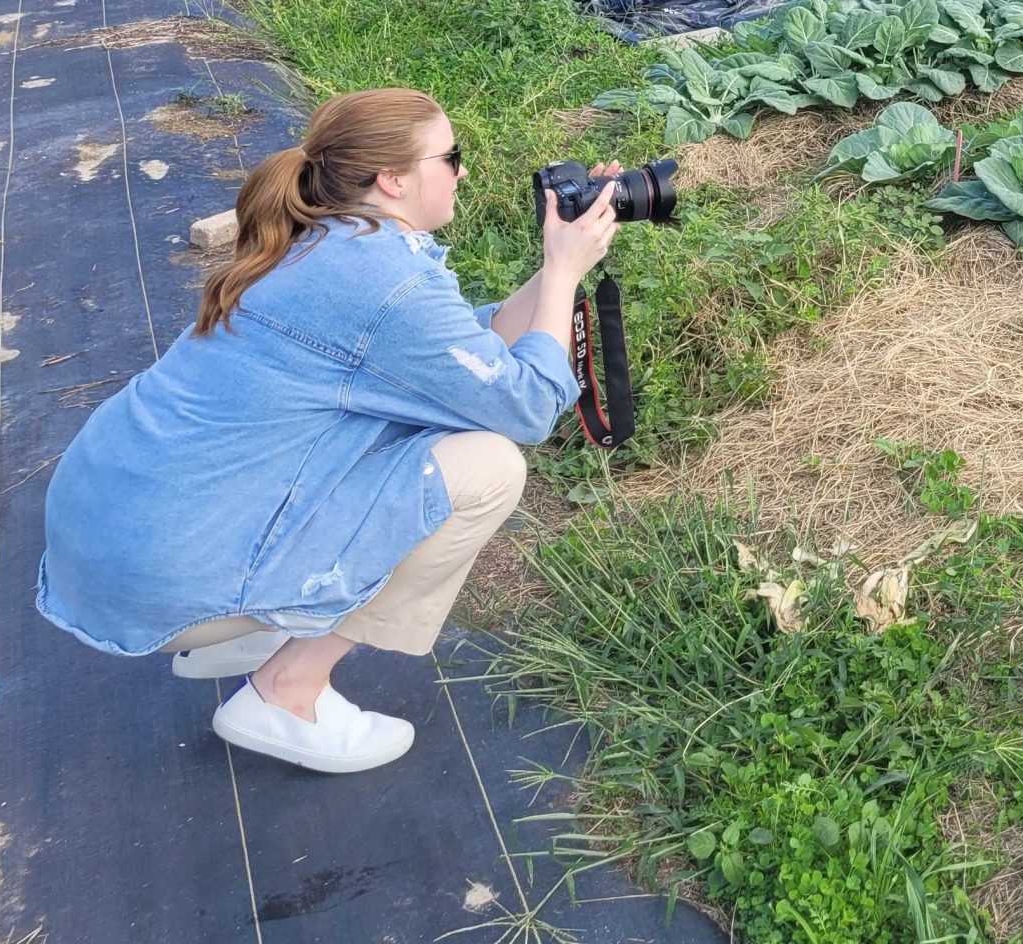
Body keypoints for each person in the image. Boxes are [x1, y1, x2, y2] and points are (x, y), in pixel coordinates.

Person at [36, 88, 623, 775]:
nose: (462, 172)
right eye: (451, 157)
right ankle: (286, 691)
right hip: (160, 577)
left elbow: (465, 359)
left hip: (107, 542)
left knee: (403, 438)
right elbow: (525, 408)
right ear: (393, 179)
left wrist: (561, 260)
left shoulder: (328, 239)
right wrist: (562, 271)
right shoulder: (385, 283)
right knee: (487, 469)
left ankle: (251, 631)